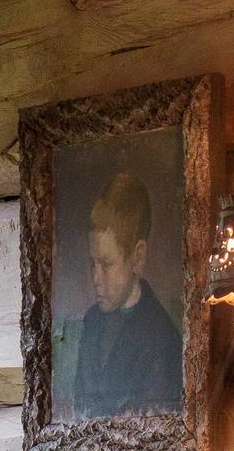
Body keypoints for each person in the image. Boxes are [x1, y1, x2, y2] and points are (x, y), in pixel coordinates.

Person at [57, 167, 181, 419]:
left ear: (138, 256)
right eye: (92, 263)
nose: (95, 278)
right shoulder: (92, 321)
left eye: (106, 264)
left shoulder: (162, 338)